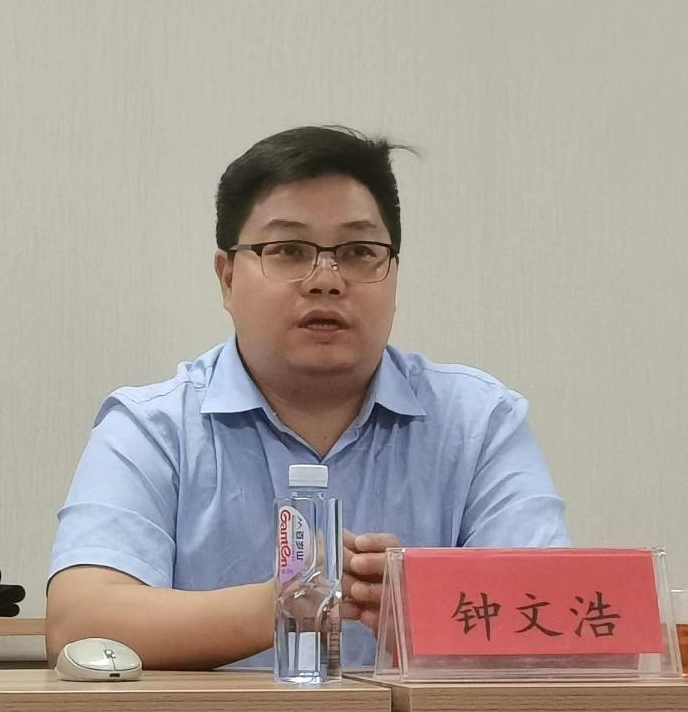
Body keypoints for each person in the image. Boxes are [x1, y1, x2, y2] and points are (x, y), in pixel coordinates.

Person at [46, 126, 569, 669]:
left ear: (394, 274)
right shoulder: (153, 427)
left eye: (360, 252)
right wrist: (294, 596)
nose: (327, 280)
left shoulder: (478, 422)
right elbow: (80, 624)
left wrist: (430, 610)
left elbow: (559, 616)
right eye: (289, 250)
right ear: (227, 278)